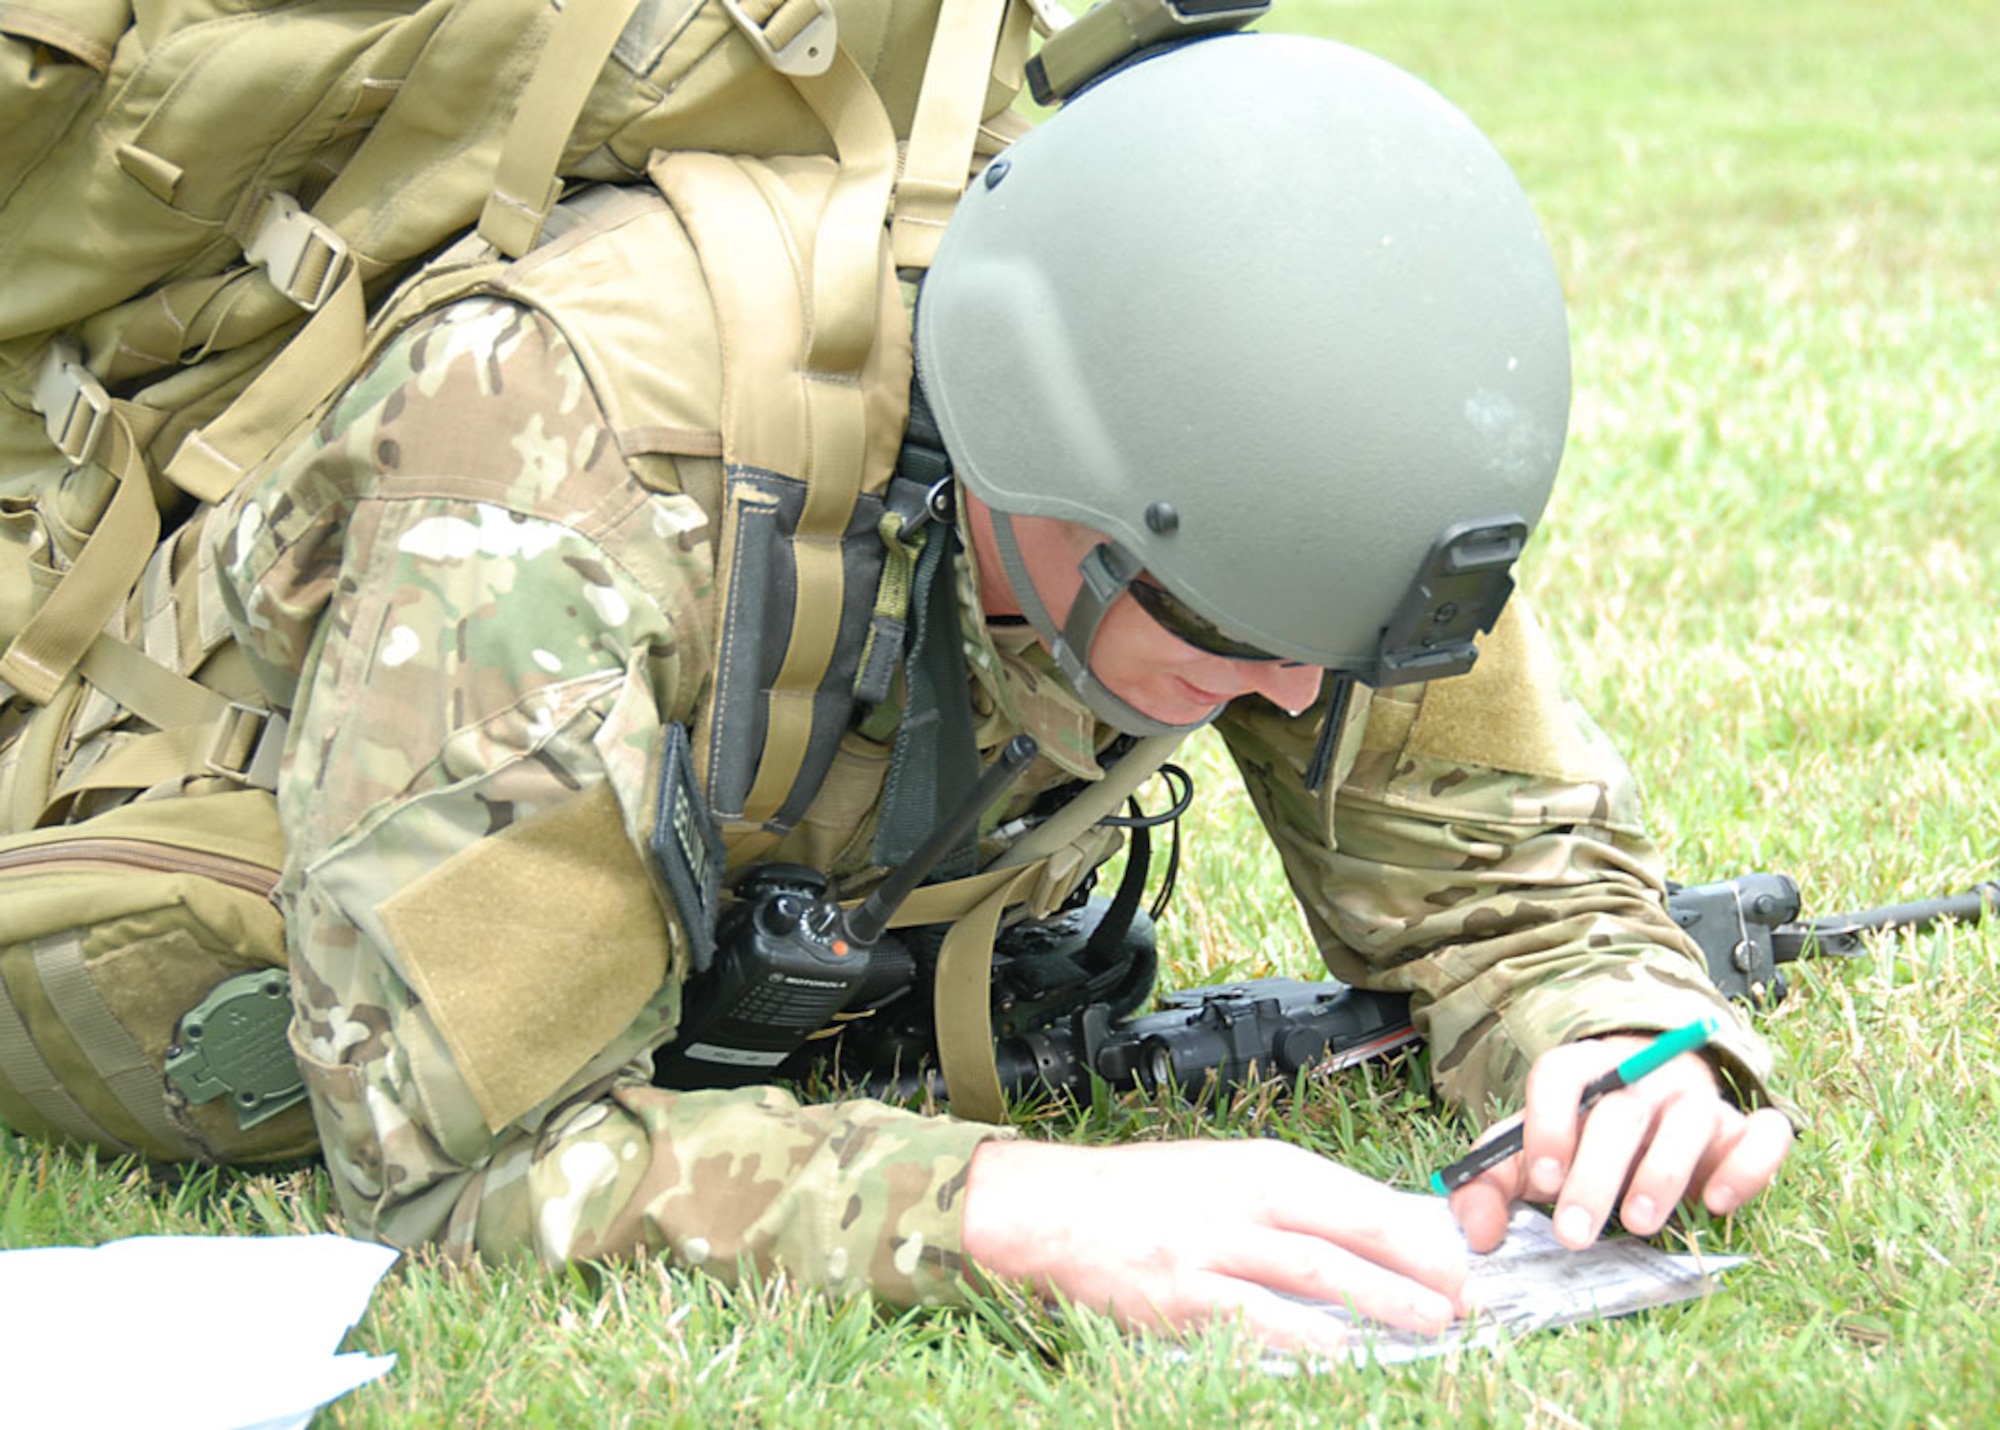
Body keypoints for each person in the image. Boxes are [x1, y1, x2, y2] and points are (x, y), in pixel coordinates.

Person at [202, 33, 1792, 1355]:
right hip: (166, 887)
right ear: (1040, 472)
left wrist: (1622, 1035)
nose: (1297, 687)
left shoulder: (1251, 466)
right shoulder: (555, 466)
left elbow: (1518, 895)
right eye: (1232, 629)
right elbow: (468, 1169)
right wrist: (1024, 1209)